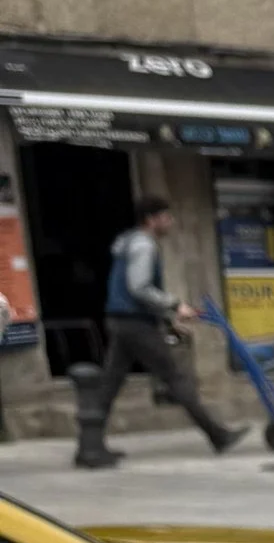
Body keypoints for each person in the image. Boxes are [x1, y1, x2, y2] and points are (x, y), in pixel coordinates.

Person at [75, 196, 235, 468]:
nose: (170, 222)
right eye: (166, 217)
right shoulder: (143, 246)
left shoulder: (127, 243)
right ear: (152, 219)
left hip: (122, 320)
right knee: (175, 377)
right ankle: (217, 434)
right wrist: (174, 304)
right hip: (134, 323)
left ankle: (89, 447)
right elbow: (139, 288)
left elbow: (131, 292)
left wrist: (168, 317)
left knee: (110, 383)